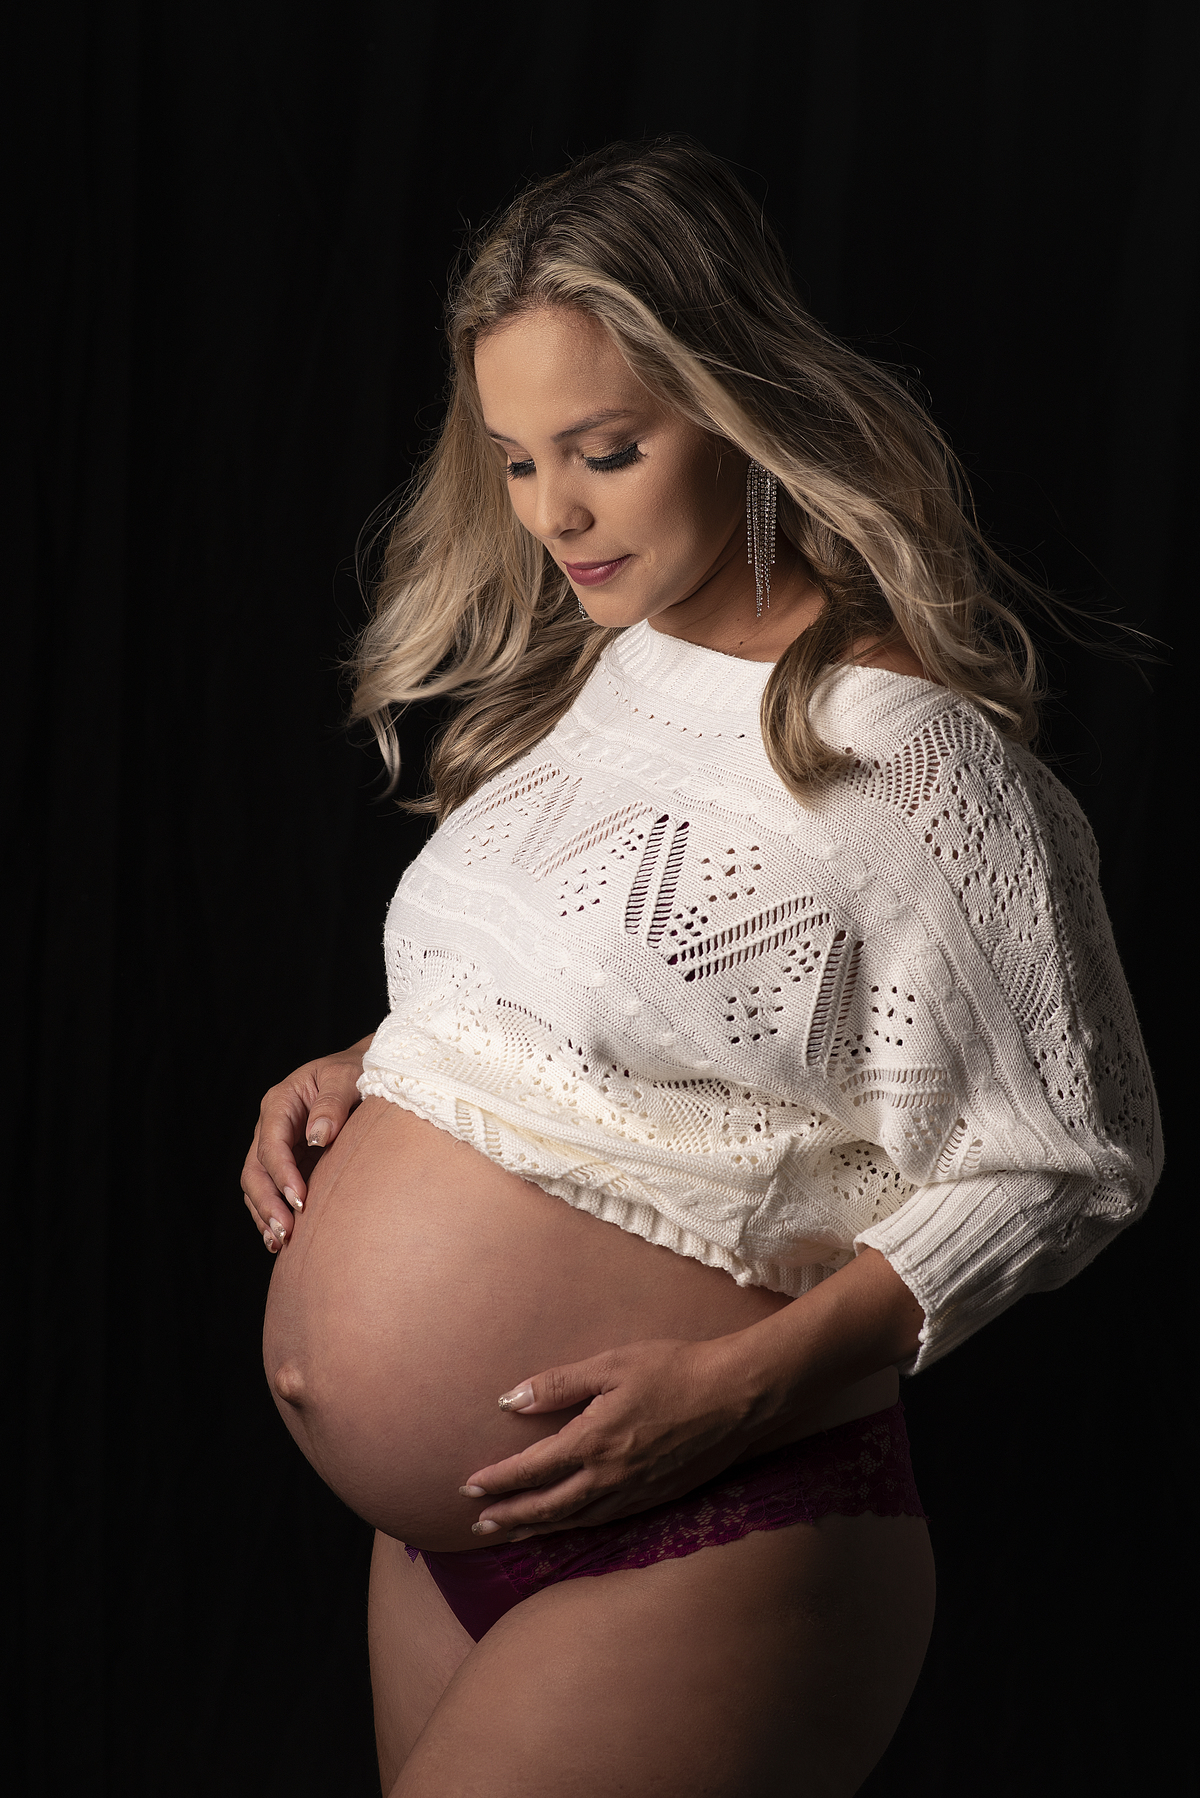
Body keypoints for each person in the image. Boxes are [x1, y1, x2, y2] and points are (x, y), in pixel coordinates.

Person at [241, 139, 1160, 1797]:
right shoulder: (620, 666)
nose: (556, 514)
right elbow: (651, 1026)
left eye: (604, 450)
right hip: (453, 1545)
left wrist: (736, 1389)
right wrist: (387, 1069)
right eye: (516, 462)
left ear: (736, 408)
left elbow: (1072, 1156)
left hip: (709, 1525)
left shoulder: (910, 756)